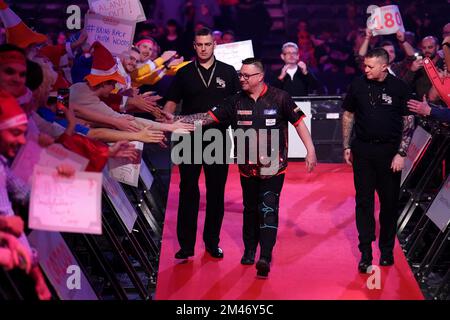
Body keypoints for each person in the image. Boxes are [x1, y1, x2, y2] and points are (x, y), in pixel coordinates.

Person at [177, 58, 317, 278]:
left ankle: (265, 257)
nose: (240, 79)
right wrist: (176, 120)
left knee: (269, 209)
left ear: (259, 77)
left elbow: (299, 123)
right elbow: (206, 119)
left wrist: (310, 150)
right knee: (250, 210)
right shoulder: (233, 101)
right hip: (247, 169)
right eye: (240, 75)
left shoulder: (281, 98)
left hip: (274, 168)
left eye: (245, 75)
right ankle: (250, 250)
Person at [163, 27, 240, 260]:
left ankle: (211, 243)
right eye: (200, 45)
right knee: (188, 190)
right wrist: (165, 126)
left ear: (214, 44)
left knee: (216, 192)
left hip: (217, 137)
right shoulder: (184, 72)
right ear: (194, 46)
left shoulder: (228, 72)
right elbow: (170, 104)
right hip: (187, 136)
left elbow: (238, 107)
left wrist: (243, 139)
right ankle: (186, 246)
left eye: (208, 44)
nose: (204, 48)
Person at [341, 48, 415, 273]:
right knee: (363, 202)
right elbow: (348, 114)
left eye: (370, 66)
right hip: (362, 150)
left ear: (384, 66)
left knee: (389, 204)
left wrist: (402, 153)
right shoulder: (357, 85)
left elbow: (408, 121)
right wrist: (346, 145)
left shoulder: (399, 87)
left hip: (389, 153)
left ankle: (386, 250)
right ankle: (365, 253)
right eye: (365, 65)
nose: (365, 70)